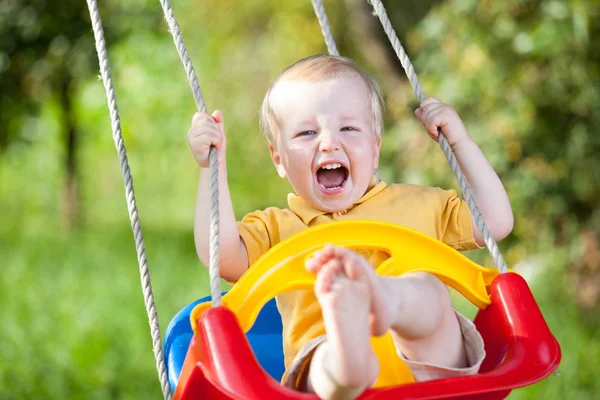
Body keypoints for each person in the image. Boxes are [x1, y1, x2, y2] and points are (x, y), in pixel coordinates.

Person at [186, 55, 513, 400]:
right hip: (327, 368)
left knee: (426, 292)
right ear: (278, 158)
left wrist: (459, 142)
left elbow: (494, 223)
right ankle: (349, 351)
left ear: (375, 148)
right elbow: (220, 256)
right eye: (306, 132)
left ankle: (385, 298)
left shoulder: (418, 205)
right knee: (325, 356)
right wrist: (213, 167)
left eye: (349, 129)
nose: (328, 143)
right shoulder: (276, 228)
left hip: (429, 371)